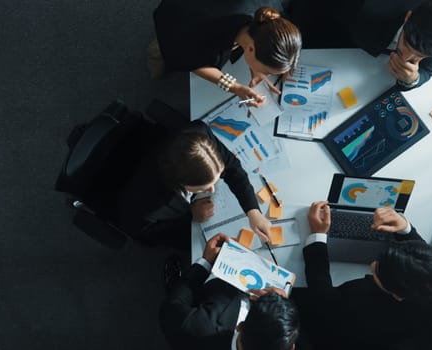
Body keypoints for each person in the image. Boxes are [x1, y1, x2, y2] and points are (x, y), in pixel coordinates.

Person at [293, 201, 432, 349]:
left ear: (396, 294)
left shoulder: (354, 303)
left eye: (378, 267)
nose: (373, 263)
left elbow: (322, 293)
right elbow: (429, 259)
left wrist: (317, 235)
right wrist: (405, 228)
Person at [118, 119, 270, 249]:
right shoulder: (152, 199)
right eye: (204, 188)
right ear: (180, 183)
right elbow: (146, 232)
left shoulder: (200, 135)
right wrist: (191, 216)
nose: (212, 190)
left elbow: (232, 168)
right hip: (161, 224)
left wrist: (253, 211)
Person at [160, 233, 300, 350]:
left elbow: (171, 307)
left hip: (205, 293)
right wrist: (278, 306)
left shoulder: (200, 328)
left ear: (240, 327)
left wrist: (205, 263)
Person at [288, 0, 432, 90]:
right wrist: (289, 49)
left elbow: (427, 71)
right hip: (341, 28)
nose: (405, 58)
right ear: (407, 18)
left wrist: (412, 80)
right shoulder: (367, 9)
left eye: (418, 56)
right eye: (406, 45)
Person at [151, 1, 302, 107]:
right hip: (178, 22)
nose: (266, 75)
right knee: (163, 58)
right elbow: (193, 63)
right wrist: (234, 87)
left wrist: (259, 67)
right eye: (267, 71)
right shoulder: (204, 36)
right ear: (250, 49)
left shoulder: (268, 19)